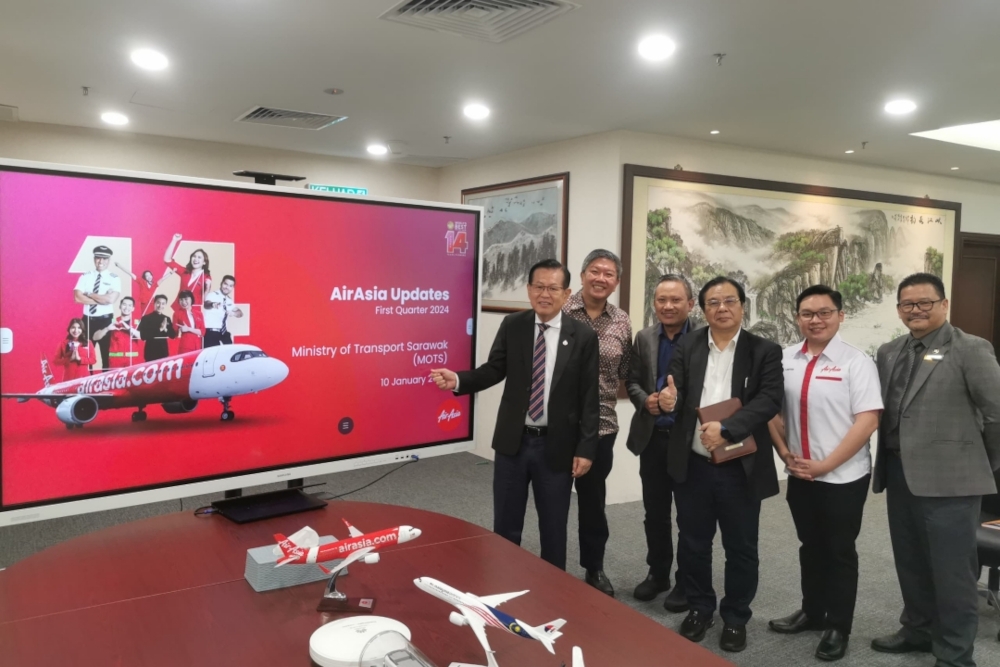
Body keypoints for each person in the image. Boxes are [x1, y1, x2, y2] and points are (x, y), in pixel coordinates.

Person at [430, 259, 600, 570]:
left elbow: (590, 398)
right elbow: (494, 369)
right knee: (506, 526)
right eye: (539, 287)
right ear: (529, 289)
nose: (544, 294)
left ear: (566, 294)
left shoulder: (583, 336)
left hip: (557, 446)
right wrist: (459, 380)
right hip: (513, 443)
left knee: (553, 529)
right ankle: (504, 579)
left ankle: (553, 589)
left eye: (553, 288)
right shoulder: (514, 325)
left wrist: (586, 449)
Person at [870, 272, 1000, 667]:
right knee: (910, 561)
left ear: (944, 304)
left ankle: (956, 654)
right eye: (907, 304)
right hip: (899, 473)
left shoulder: (970, 348)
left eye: (925, 302)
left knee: (953, 572)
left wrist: (983, 463)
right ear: (899, 310)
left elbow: (996, 414)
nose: (916, 310)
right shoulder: (889, 351)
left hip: (953, 481)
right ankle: (919, 630)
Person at [661, 276, 782, 653]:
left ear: (743, 306)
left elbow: (769, 399)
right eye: (713, 302)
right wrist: (667, 399)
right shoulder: (689, 344)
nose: (722, 308)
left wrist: (727, 429)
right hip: (694, 464)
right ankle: (700, 607)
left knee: (741, 547)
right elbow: (676, 389)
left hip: (740, 467)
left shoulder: (764, 350)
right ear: (703, 309)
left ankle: (735, 616)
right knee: (693, 542)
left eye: (730, 301)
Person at [766, 285, 883, 661]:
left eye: (824, 312)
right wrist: (784, 453)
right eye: (807, 313)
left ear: (840, 316)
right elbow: (770, 410)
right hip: (800, 473)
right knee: (810, 545)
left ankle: (838, 626)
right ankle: (813, 612)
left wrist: (826, 465)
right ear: (797, 317)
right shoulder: (785, 359)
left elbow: (868, 421)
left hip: (843, 477)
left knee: (839, 551)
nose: (815, 320)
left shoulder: (856, 362)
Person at [561, 249, 632, 596]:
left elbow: (626, 371)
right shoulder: (560, 310)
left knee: (593, 502)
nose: (600, 278)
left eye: (608, 274)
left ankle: (594, 566)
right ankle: (550, 564)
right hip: (557, 424)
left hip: (601, 424)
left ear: (616, 282)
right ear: (582, 275)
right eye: (594, 271)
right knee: (553, 499)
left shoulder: (621, 321)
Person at [625, 274, 694, 611]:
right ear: (654, 304)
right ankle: (658, 573)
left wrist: (677, 401)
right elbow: (633, 381)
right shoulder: (644, 337)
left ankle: (686, 580)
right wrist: (646, 400)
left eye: (675, 300)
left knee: (689, 515)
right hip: (652, 439)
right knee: (655, 512)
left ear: (690, 304)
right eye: (661, 300)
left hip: (688, 442)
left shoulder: (703, 339)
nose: (668, 306)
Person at [73, 245, 122, 371]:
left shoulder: (114, 278)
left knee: (106, 355)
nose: (101, 261)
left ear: (108, 260)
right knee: (86, 355)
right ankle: (88, 382)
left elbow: (110, 300)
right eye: (98, 258)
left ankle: (106, 382)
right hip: (87, 321)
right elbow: (78, 298)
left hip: (105, 321)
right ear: (94, 259)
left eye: (104, 258)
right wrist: (102, 299)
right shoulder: (85, 276)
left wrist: (89, 294)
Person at [162, 234, 212, 313]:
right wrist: (174, 240)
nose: (196, 259)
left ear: (204, 262)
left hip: (194, 311)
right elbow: (167, 260)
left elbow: (205, 300)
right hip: (179, 309)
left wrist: (208, 288)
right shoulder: (184, 271)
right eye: (194, 256)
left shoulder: (206, 277)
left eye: (199, 257)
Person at [93, 296, 143, 368]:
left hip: (133, 361)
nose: (126, 307)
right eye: (124, 304)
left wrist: (129, 328)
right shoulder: (112, 321)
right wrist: (107, 329)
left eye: (130, 305)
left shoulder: (137, 323)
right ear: (120, 306)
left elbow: (142, 336)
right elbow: (95, 337)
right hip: (116, 362)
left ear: (133, 308)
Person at [203, 275, 243, 346]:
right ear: (221, 283)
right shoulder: (212, 295)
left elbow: (240, 313)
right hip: (211, 332)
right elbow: (206, 304)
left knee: (231, 350)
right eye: (225, 284)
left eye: (230, 286)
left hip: (223, 332)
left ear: (232, 288)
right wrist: (213, 304)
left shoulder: (229, 300)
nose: (227, 287)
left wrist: (233, 313)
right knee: (214, 352)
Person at [138, 294, 177, 361]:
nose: (160, 306)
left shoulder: (167, 318)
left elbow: (172, 335)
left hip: (163, 351)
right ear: (154, 303)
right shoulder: (146, 318)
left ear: (165, 305)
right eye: (158, 303)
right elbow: (143, 336)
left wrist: (165, 329)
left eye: (163, 304)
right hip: (150, 352)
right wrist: (160, 329)